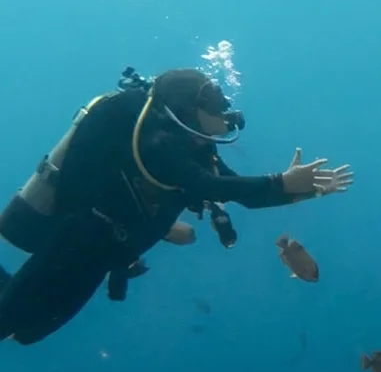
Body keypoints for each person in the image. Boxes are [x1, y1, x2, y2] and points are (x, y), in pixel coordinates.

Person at [0, 66, 352, 345]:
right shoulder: (157, 141)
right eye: (214, 103)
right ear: (187, 108)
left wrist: (309, 190)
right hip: (77, 242)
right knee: (8, 320)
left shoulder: (194, 149)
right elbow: (207, 185)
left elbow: (244, 195)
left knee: (29, 331)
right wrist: (281, 182)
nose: (225, 111)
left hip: (102, 254)